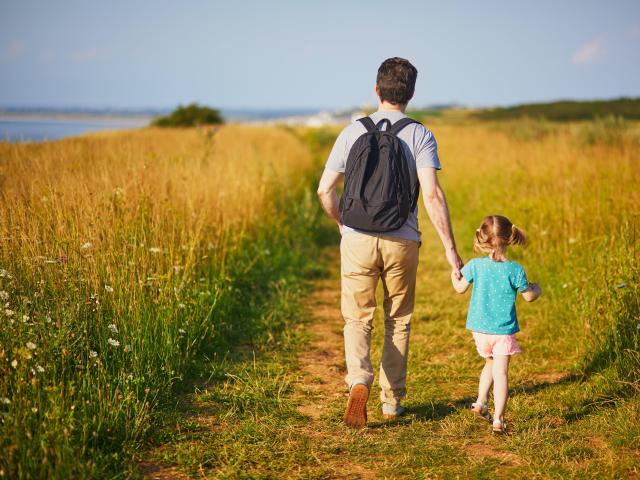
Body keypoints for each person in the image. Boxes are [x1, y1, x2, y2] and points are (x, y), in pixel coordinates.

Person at [317, 57, 463, 428]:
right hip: (403, 241)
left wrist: (342, 223)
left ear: (377, 90)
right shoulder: (420, 134)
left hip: (357, 239)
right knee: (398, 319)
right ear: (410, 94)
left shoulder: (352, 132)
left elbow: (325, 190)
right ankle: (391, 400)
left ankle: (358, 381)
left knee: (357, 318)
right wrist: (450, 249)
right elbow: (431, 196)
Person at [451, 215, 542, 433]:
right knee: (501, 374)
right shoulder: (515, 270)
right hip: (502, 331)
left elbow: (459, 288)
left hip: (480, 330)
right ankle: (499, 419)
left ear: (483, 239)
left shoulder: (475, 266)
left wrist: (454, 275)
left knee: (489, 363)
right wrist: (537, 288)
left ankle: (481, 402)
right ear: (510, 237)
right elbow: (529, 296)